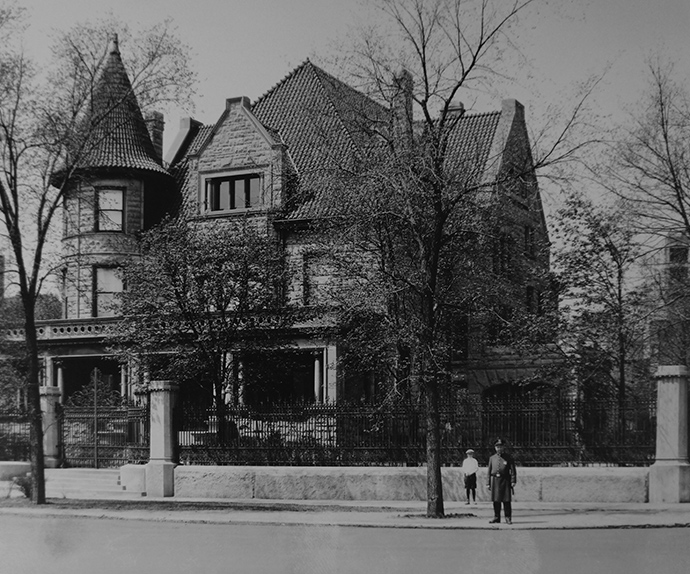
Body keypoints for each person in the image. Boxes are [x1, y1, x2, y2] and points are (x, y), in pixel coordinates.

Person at [486, 438, 517, 524]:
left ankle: (508, 517)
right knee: (496, 500)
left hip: (505, 480)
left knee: (506, 500)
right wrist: (488, 483)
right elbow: (489, 471)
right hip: (495, 480)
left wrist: (513, 481)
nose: (499, 448)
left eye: (500, 447)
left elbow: (513, 470)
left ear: (503, 447)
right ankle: (496, 517)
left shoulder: (508, 457)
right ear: (495, 448)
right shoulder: (492, 458)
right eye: (497, 447)